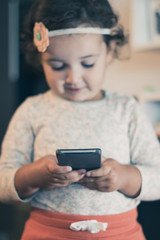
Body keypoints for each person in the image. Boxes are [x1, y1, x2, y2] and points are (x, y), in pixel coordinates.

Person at [0, 0, 160, 239]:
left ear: (110, 50)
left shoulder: (127, 110)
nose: (73, 78)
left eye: (87, 63)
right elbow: (3, 185)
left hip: (121, 233)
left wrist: (124, 177)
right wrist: (35, 175)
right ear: (40, 58)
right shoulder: (31, 111)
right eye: (57, 66)